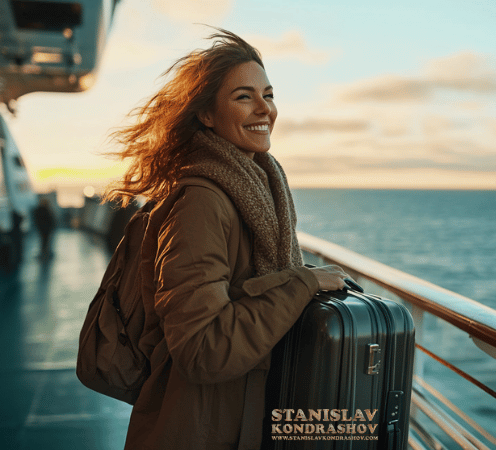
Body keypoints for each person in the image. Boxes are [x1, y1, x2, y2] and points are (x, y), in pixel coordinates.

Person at [103, 29, 349, 450]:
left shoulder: (257, 185)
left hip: (238, 418)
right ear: (206, 115)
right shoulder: (202, 201)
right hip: (197, 429)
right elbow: (202, 349)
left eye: (268, 95)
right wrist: (301, 284)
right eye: (243, 97)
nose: (264, 109)